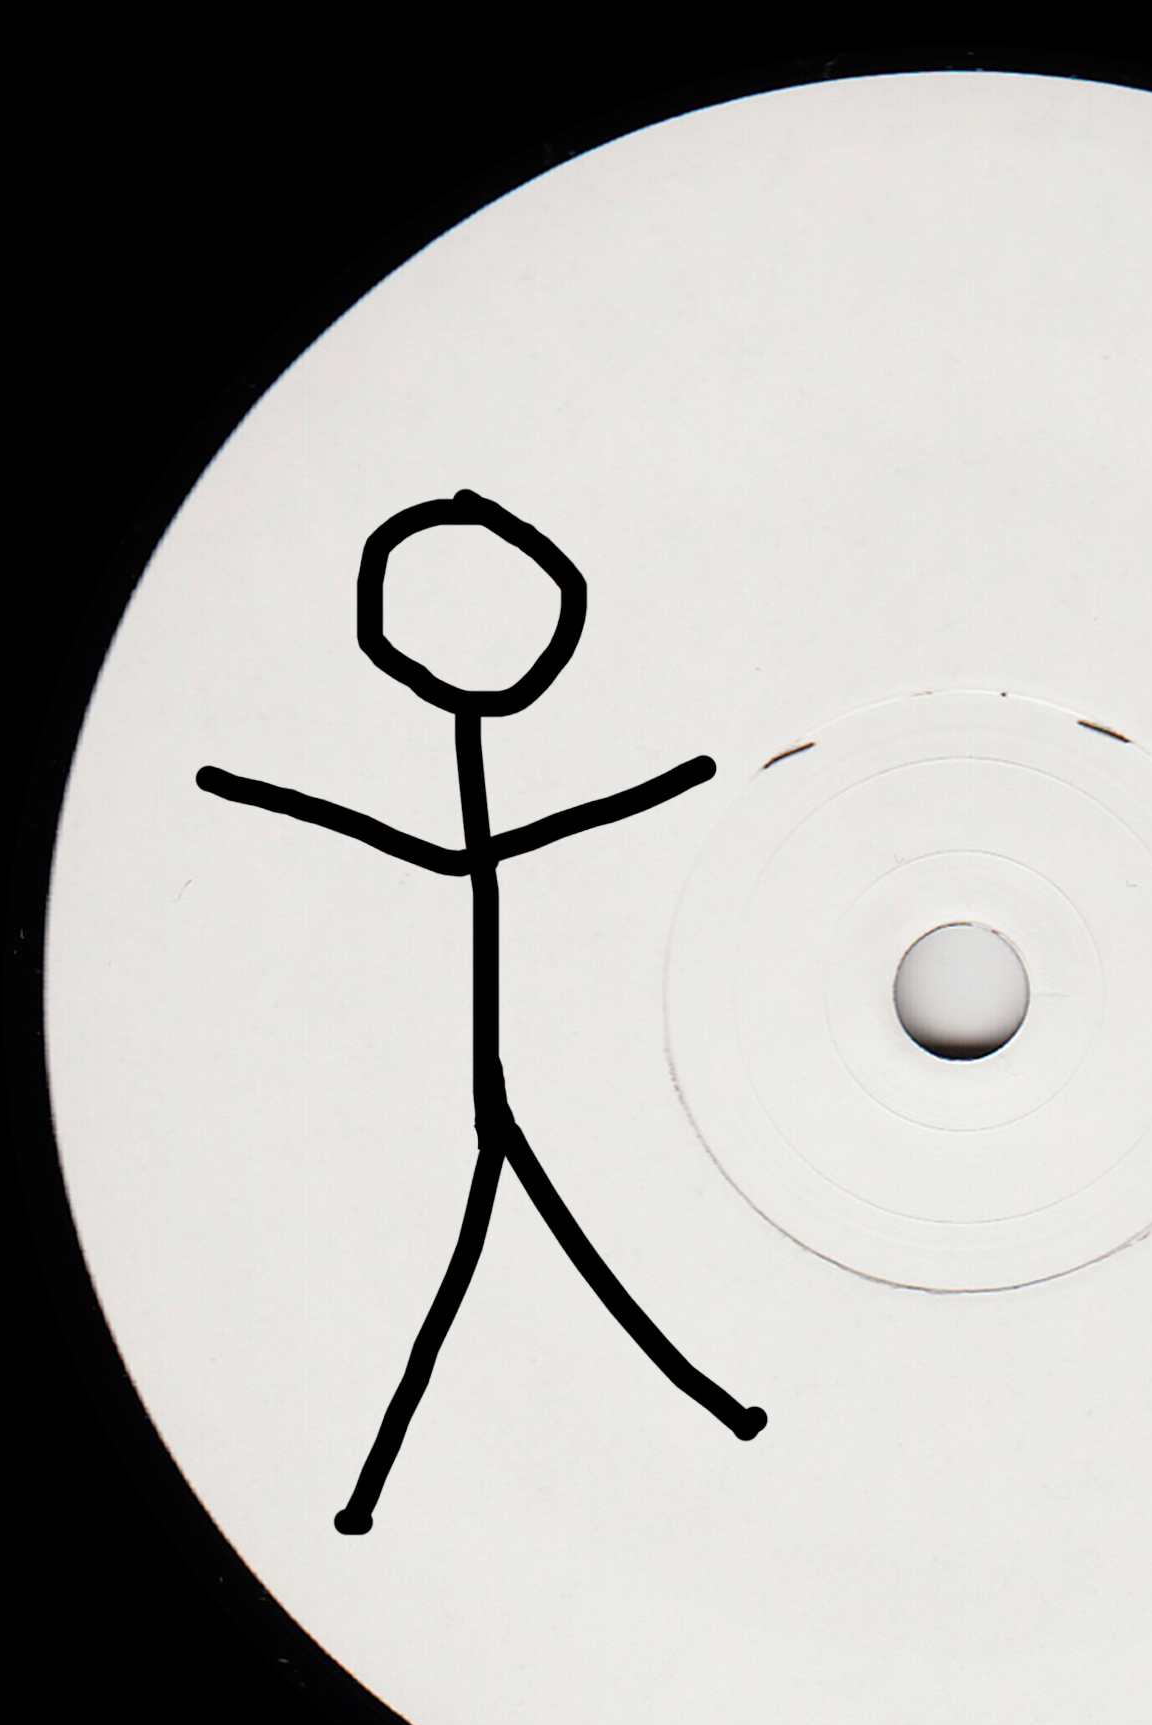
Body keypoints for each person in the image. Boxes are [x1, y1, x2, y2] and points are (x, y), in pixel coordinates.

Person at [197, 491, 765, 1534]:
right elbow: (459, 859)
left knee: (479, 1249)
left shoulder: (470, 727)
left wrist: (266, 794)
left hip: (481, 1082)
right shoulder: (477, 732)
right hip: (456, 1082)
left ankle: (384, 1478)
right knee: (492, 1242)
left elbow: (458, 859)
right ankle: (695, 1397)